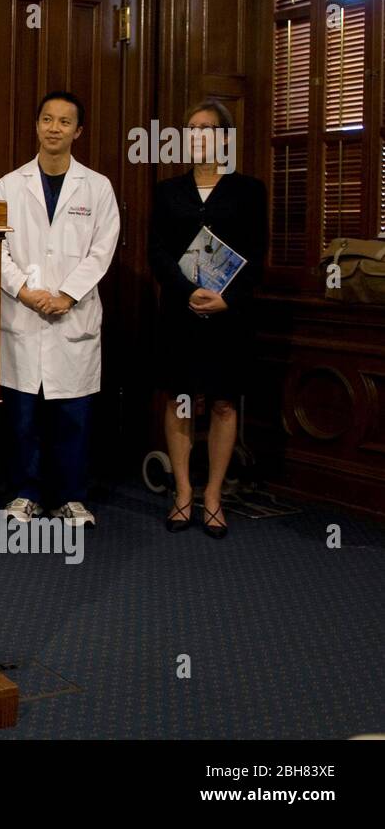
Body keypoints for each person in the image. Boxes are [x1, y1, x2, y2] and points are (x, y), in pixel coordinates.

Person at [0, 90, 119, 529]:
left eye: (64, 122)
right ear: (36, 125)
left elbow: (102, 250)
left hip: (73, 317)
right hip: (24, 315)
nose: (54, 128)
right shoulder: (10, 185)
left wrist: (67, 294)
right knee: (23, 416)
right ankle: (24, 494)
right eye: (47, 119)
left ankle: (71, 497)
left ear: (78, 132)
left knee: (73, 416)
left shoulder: (98, 187)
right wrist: (26, 292)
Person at [149, 100, 266, 538]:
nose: (197, 136)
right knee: (179, 399)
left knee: (221, 402)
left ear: (225, 138)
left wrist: (226, 298)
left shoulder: (249, 190)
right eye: (191, 129)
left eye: (207, 129)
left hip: (228, 317)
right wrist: (187, 291)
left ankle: (213, 496)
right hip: (180, 312)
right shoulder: (167, 191)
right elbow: (156, 253)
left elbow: (257, 257)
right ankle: (183, 492)